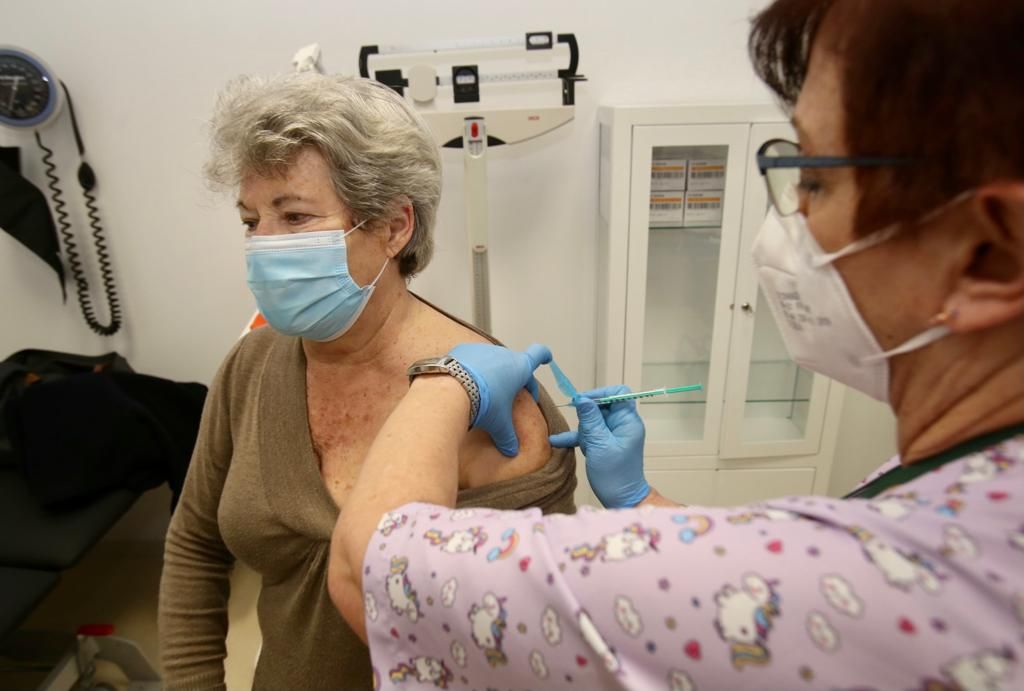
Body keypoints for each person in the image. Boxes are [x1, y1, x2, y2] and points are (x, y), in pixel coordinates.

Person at [327, 1, 1024, 688]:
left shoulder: (874, 582)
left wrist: (448, 378)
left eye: (815, 176)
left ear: (991, 255)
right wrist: (637, 499)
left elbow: (372, 569)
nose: (792, 218)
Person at [158, 74, 577, 690]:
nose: (264, 246)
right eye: (251, 221)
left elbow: (531, 634)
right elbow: (194, 543)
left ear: (393, 227)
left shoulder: (487, 400)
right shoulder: (252, 367)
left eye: (294, 216)